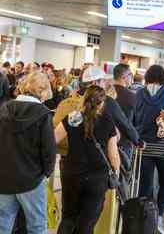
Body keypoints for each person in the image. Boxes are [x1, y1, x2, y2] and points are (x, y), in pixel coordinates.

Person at [55, 85, 120, 234]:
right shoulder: (107, 121)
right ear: (102, 103)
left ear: (84, 99)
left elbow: (53, 138)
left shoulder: (73, 117)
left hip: (72, 173)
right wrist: (115, 171)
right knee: (87, 223)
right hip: (97, 178)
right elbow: (113, 154)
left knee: (68, 217)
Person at [0, 71, 56, 234]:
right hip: (32, 180)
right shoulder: (43, 114)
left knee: (2, 225)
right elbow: (48, 151)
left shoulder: (4, 109)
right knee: (37, 226)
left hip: (4, 177)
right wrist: (47, 172)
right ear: (43, 90)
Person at [135, 65, 164, 234]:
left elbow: (133, 117)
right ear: (163, 77)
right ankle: (159, 217)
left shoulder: (139, 93)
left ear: (147, 76)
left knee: (145, 184)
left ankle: (146, 218)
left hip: (144, 146)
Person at [114, 64, 136, 157]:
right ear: (124, 76)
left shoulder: (105, 93)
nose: (131, 77)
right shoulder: (131, 96)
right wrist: (136, 140)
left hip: (106, 139)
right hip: (124, 142)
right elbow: (134, 121)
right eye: (130, 74)